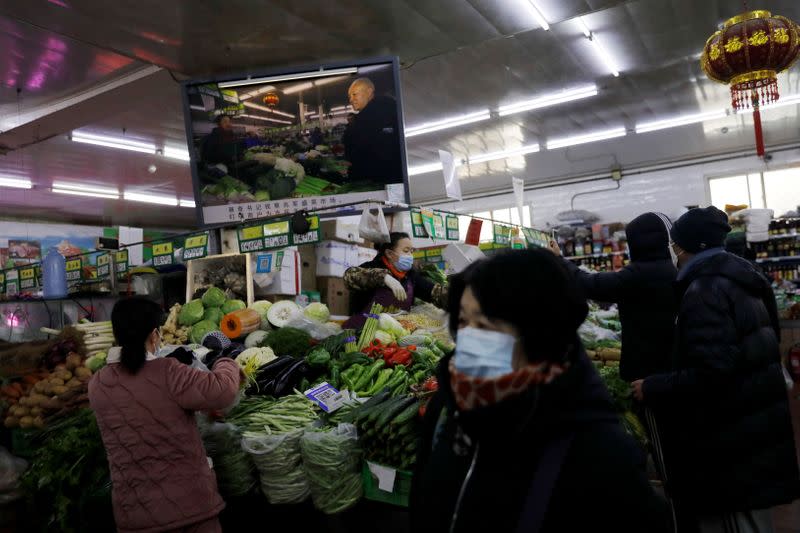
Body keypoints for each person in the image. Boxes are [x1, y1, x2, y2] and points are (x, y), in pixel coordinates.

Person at [412, 249, 670, 533]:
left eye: (486, 325)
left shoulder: (599, 455)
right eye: (462, 322)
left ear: (538, 334)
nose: (469, 338)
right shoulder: (448, 410)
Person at [632, 206, 800, 532]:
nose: (673, 249)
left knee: (733, 522)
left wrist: (653, 386)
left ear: (687, 246)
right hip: (753, 427)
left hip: (731, 442)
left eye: (675, 243)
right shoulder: (743, 277)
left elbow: (713, 372)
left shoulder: (705, 290)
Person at [88, 297, 241, 533]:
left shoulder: (98, 383)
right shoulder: (167, 372)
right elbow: (223, 391)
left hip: (133, 513)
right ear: (154, 335)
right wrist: (225, 361)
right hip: (188, 510)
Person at [550, 212, 678, 382]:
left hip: (647, 371)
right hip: (670, 364)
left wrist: (559, 259)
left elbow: (589, 284)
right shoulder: (672, 269)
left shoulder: (638, 274)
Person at [342, 232, 446, 329]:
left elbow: (434, 292)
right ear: (389, 253)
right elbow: (349, 276)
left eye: (411, 251)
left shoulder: (410, 276)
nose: (410, 255)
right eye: (406, 251)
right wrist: (384, 277)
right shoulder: (372, 266)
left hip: (392, 338)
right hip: (361, 335)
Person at [343, 77, 402, 184]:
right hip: (396, 178)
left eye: (354, 94)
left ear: (369, 92)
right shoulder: (392, 108)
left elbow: (359, 152)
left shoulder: (369, 118)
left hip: (376, 181)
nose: (351, 99)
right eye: (349, 96)